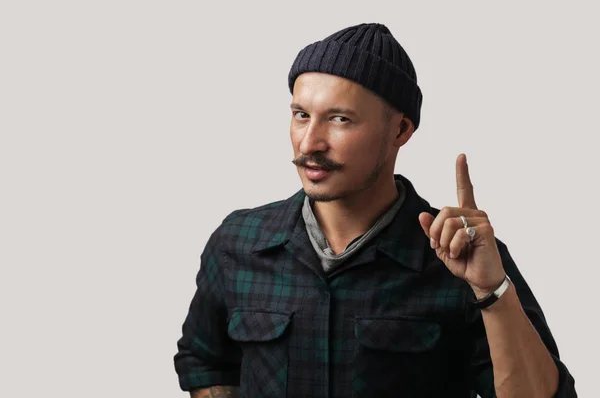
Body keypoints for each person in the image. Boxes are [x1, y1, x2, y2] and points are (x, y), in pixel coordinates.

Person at [173, 22, 577, 397]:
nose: (309, 143)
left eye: (339, 119)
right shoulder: (238, 242)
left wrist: (492, 291)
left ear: (401, 129)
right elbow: (206, 363)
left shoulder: (462, 258)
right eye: (301, 115)